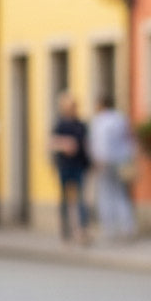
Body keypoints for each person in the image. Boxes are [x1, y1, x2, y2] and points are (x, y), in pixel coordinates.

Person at [89, 95, 136, 240]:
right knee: (121, 194)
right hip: (121, 160)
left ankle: (110, 229)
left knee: (106, 195)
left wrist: (98, 161)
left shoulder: (100, 121)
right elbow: (129, 139)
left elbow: (100, 144)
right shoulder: (120, 118)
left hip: (105, 162)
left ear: (101, 105)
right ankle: (127, 227)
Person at [50, 92, 90, 243]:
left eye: (74, 105)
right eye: (69, 106)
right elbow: (51, 143)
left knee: (80, 199)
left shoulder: (81, 124)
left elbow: (86, 144)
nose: (72, 108)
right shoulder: (60, 124)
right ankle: (65, 231)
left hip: (79, 165)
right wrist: (64, 144)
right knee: (65, 199)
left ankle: (82, 230)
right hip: (64, 166)